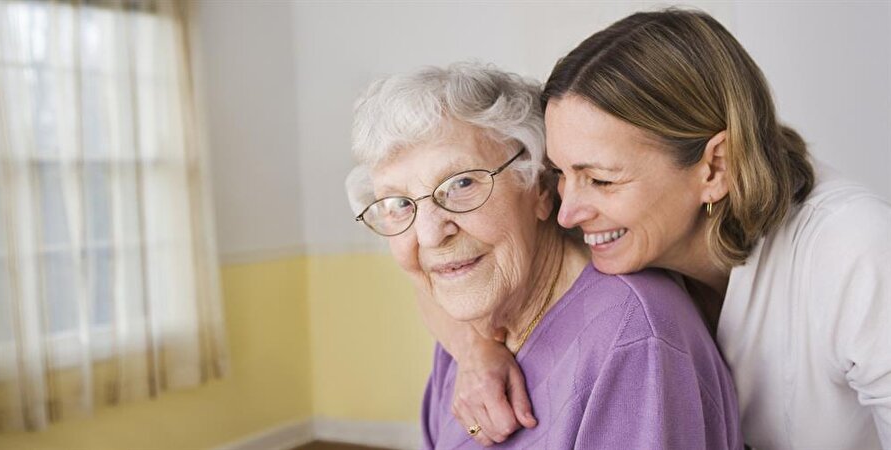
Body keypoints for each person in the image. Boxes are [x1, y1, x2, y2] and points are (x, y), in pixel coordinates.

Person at [426, 9, 891, 449]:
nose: (567, 213)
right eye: (561, 174)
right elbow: (423, 257)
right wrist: (475, 349)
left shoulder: (854, 249)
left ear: (715, 168)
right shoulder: (606, 227)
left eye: (602, 180)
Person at [345, 62, 741, 449]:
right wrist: (471, 348)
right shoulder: (470, 326)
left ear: (539, 186)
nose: (430, 235)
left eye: (462, 183)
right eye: (397, 203)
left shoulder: (634, 337)